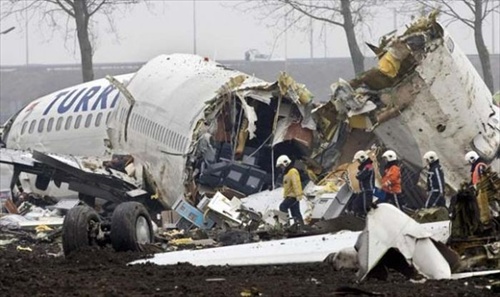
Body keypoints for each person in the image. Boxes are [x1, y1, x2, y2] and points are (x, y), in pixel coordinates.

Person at [276, 155, 304, 226]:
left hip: (293, 196)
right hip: (291, 195)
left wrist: (298, 195)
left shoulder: (292, 171)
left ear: (285, 163)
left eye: (281, 166)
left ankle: (286, 225)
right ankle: (300, 226)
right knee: (295, 212)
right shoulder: (287, 173)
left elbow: (296, 183)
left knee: (283, 206)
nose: (281, 168)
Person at [353, 150, 375, 216]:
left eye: (358, 160)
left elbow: (360, 176)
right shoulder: (366, 166)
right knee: (357, 204)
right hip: (364, 190)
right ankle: (361, 215)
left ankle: (367, 217)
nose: (359, 162)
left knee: (366, 207)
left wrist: (358, 173)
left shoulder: (368, 167)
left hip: (367, 190)